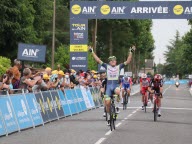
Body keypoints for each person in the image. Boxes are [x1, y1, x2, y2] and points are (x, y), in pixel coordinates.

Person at [89, 45, 135, 125]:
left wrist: (131, 52)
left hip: (115, 85)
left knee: (118, 91)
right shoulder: (106, 66)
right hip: (109, 86)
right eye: (111, 61)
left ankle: (118, 105)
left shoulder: (119, 66)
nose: (113, 61)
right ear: (109, 62)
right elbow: (98, 60)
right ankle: (110, 116)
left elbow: (128, 61)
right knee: (107, 104)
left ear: (116, 61)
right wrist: (92, 51)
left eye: (114, 60)